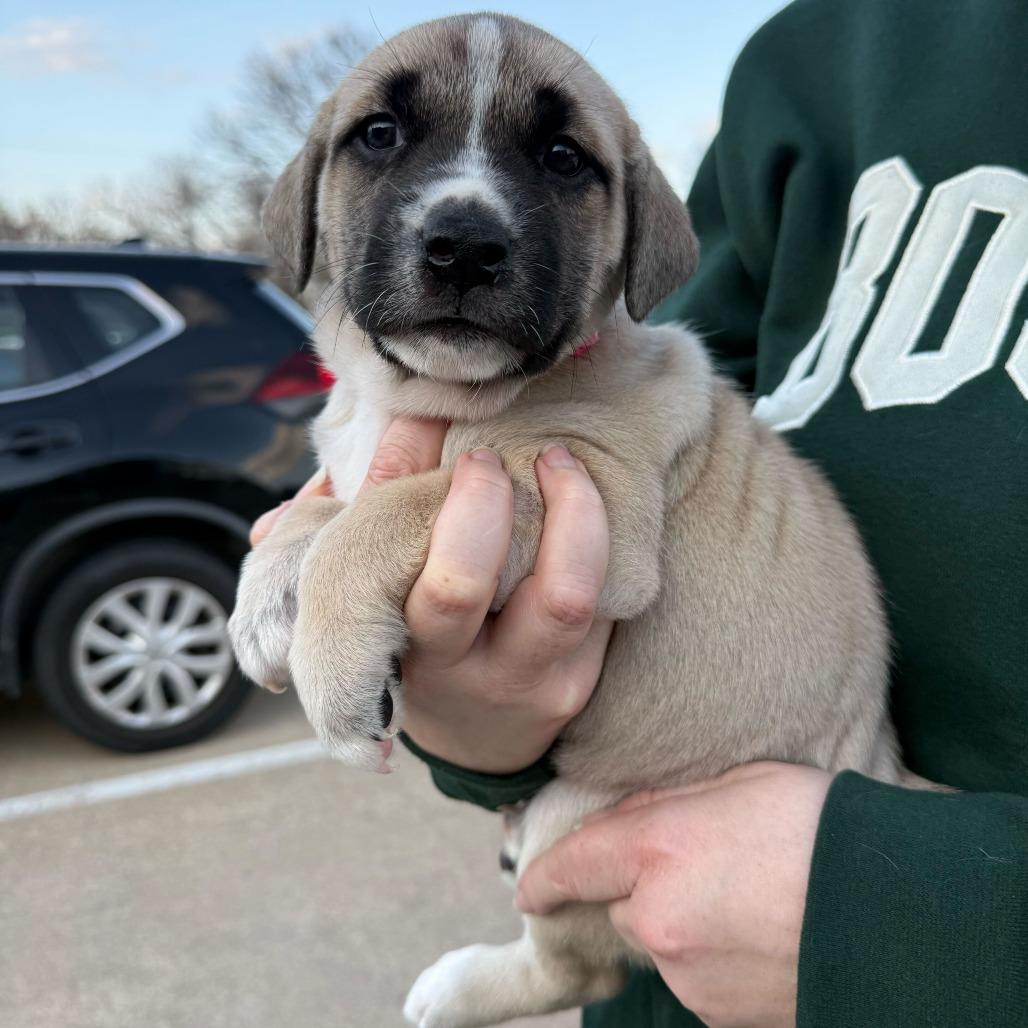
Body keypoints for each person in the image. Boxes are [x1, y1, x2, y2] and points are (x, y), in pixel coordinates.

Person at [250, 0, 1027, 1023]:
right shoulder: (815, 57)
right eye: (383, 138)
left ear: (632, 243)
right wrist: (474, 733)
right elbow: (485, 599)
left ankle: (556, 964)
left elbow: (594, 536)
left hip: (804, 800)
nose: (466, 215)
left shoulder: (625, 383)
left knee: (572, 832)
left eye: (561, 161)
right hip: (656, 887)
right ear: (307, 198)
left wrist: (914, 911)